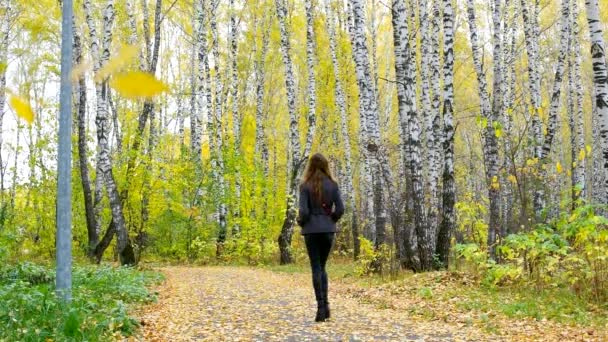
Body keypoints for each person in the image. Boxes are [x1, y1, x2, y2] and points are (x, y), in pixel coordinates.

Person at [296, 153, 345, 322]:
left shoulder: (305, 186)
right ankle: (326, 306)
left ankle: (320, 308)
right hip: (327, 230)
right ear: (325, 165)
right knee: (322, 267)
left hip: (311, 231)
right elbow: (340, 209)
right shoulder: (333, 185)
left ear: (310, 166)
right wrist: (331, 220)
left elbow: (303, 212)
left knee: (316, 267)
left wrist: (302, 223)